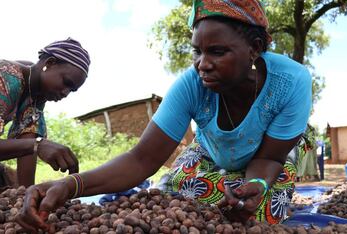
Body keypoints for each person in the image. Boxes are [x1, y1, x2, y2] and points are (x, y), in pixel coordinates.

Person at [16, 1, 312, 231]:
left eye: (217, 52)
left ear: (254, 49)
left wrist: (257, 186)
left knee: (256, 214)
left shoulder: (291, 83)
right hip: (210, 152)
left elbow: (270, 158)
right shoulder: (191, 85)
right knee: (172, 199)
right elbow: (141, 159)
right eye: (197, 51)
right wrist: (71, 185)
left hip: (269, 157)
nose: (202, 65)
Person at [0, 38, 90, 187]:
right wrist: (38, 145)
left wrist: (27, 195)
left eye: (72, 90)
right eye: (66, 83)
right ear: (49, 64)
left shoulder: (35, 94)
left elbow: (28, 143)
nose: (65, 93)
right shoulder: (7, 76)